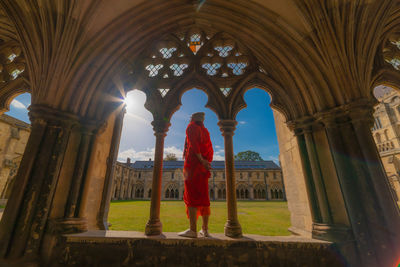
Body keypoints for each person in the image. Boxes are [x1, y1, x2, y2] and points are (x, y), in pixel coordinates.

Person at [178, 112, 213, 238]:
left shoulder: (191, 127)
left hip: (193, 166)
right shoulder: (206, 131)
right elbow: (210, 149)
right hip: (203, 168)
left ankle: (193, 230)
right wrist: (207, 162)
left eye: (191, 117)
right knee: (204, 198)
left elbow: (193, 145)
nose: (189, 119)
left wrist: (201, 160)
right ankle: (205, 230)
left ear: (193, 118)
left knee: (191, 196)